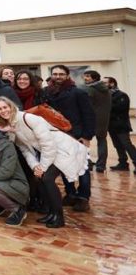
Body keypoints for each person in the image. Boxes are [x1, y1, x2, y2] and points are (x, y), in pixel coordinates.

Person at [0, 96, 88, 228]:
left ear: (11, 106)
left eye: (5, 107)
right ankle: (51, 214)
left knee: (47, 178)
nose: (3, 111)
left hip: (65, 150)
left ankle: (59, 218)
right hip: (51, 153)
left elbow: (48, 145)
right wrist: (35, 166)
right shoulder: (11, 125)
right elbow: (25, 149)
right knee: (42, 178)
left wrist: (42, 167)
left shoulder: (29, 118)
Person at [43, 64, 95, 212]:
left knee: (82, 168)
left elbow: (89, 115)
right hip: (57, 136)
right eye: (55, 74)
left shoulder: (78, 92)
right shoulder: (47, 92)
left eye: (61, 74)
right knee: (63, 165)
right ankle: (70, 193)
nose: (57, 76)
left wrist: (87, 136)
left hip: (77, 136)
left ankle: (83, 197)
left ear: (67, 75)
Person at [83, 70, 112, 173]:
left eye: (87, 76)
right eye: (84, 76)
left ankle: (87, 163)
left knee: (84, 142)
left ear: (94, 78)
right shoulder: (107, 89)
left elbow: (87, 106)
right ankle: (101, 166)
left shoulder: (90, 89)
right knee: (102, 142)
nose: (85, 78)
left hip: (92, 118)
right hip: (104, 119)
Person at [105, 77, 136, 173]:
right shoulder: (106, 96)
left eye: (105, 83)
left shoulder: (122, 95)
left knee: (126, 144)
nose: (102, 85)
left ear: (112, 83)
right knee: (117, 145)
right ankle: (123, 163)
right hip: (111, 125)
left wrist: (105, 106)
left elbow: (120, 109)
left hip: (121, 125)